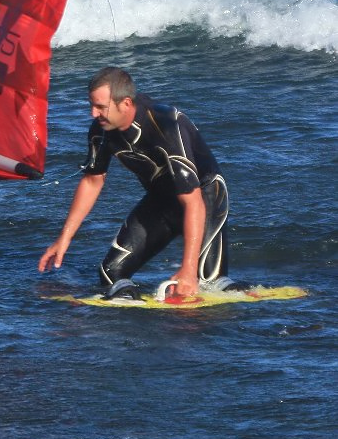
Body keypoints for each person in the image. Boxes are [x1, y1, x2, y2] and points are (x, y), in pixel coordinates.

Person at [38, 67, 246, 300]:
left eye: (100, 107)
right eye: (92, 105)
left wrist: (188, 269)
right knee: (111, 273)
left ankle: (243, 295)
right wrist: (64, 238)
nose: (93, 114)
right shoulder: (101, 130)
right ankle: (129, 306)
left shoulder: (166, 124)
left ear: (125, 103)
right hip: (161, 201)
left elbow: (193, 201)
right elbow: (92, 180)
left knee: (207, 283)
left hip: (204, 197)